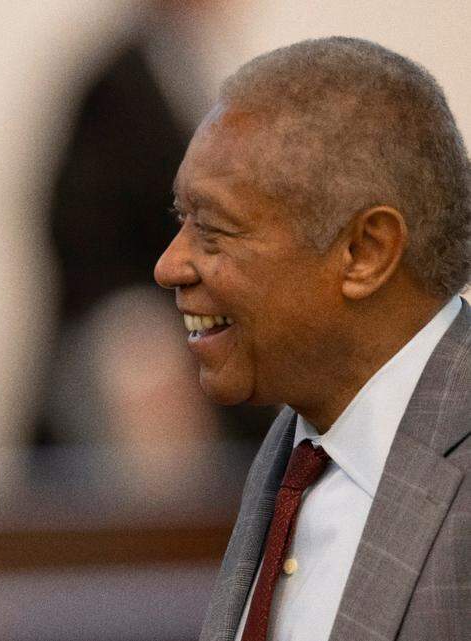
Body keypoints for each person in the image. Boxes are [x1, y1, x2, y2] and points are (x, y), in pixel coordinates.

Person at [154, 37, 471, 641]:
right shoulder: (297, 458)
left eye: (213, 230)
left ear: (364, 253)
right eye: (181, 220)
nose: (170, 266)